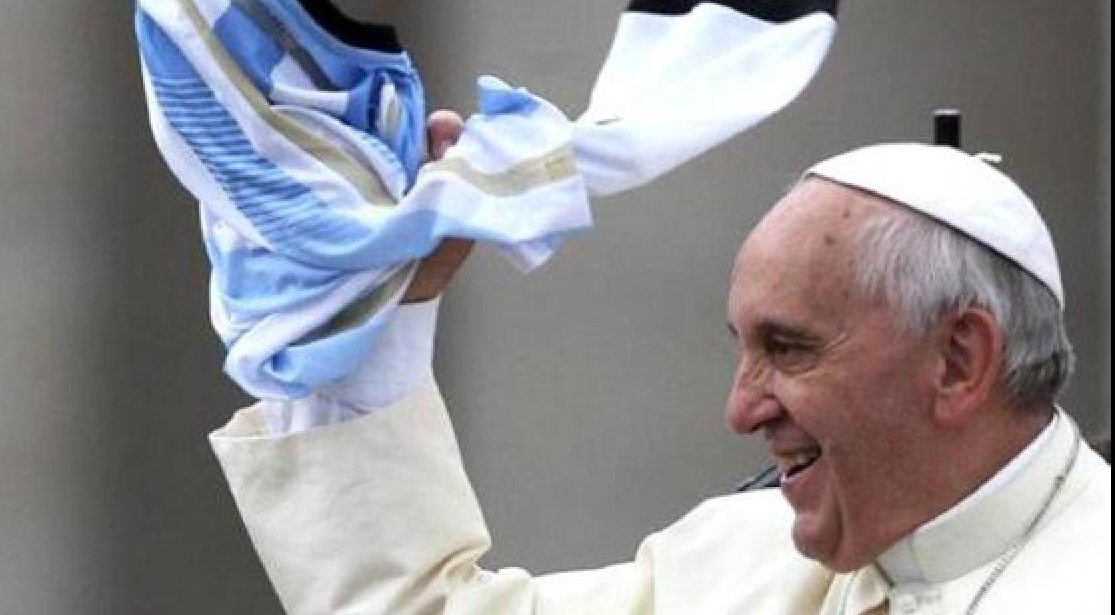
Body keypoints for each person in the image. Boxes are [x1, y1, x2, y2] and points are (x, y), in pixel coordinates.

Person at [209, 113, 1111, 614]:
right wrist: (380, 318)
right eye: (744, 349)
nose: (744, 409)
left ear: (958, 360)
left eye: (789, 348)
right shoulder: (744, 561)